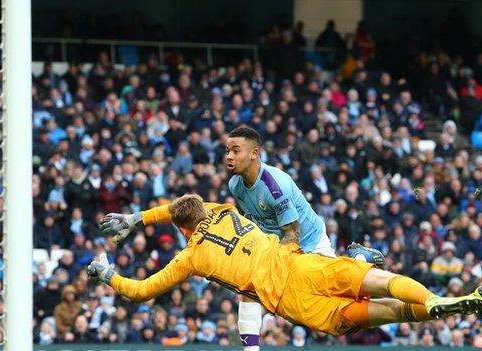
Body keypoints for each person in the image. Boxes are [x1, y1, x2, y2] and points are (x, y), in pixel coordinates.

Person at [101, 126, 385, 350]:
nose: (228, 156)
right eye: (226, 150)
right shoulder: (235, 185)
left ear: (254, 153)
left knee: (338, 296)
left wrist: (271, 271)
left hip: (306, 242)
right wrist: (134, 218)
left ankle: (359, 257)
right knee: (248, 293)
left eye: (235, 150)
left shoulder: (276, 186)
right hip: (272, 244)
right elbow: (179, 209)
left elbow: (292, 233)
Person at [90, 194, 482, 338]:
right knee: (378, 279)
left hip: (289, 301)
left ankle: (424, 312)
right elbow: (178, 207)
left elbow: (141, 291)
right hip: (301, 264)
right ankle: (434, 298)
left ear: (180, 227)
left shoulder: (188, 259)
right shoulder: (224, 211)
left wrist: (108, 274)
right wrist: (139, 218)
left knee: (385, 313)